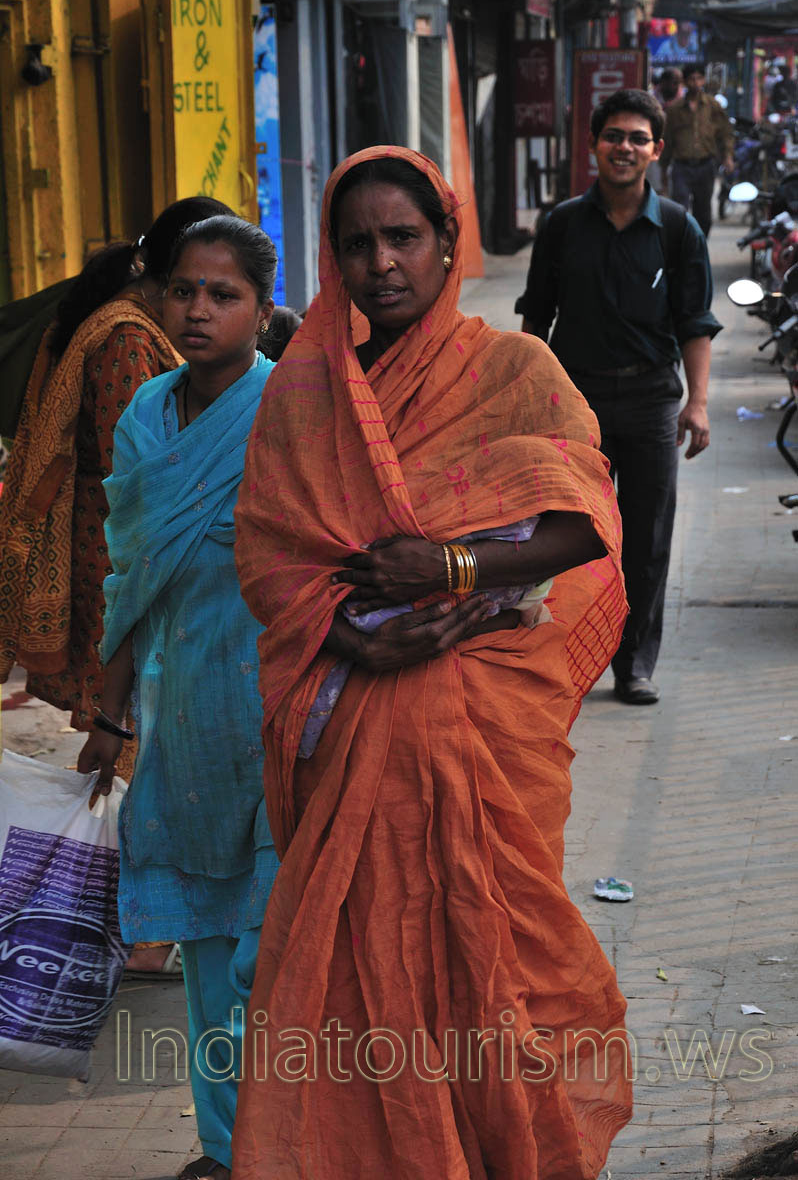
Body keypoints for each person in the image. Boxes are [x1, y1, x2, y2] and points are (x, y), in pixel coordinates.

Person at [231, 146, 633, 1179]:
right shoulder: (307, 398)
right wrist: (356, 636)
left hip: (482, 721)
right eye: (356, 244)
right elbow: (272, 561)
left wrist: (445, 566)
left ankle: (508, 1153)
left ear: (448, 243)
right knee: (357, 968)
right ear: (334, 260)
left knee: (493, 952)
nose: (381, 264)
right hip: (356, 714)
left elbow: (583, 524)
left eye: (402, 237)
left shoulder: (514, 370)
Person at [76, 215, 280, 1180]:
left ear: (263, 310)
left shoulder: (290, 411)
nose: (199, 310)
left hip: (279, 702)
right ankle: (225, 1146)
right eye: (184, 291)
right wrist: (110, 714)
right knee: (204, 944)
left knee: (266, 950)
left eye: (224, 294)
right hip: (181, 710)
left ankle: (290, 1140)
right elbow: (130, 580)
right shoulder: (145, 415)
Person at [0, 195, 232, 775]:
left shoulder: (138, 321)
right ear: (174, 278)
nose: (205, 307)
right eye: (198, 287)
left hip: (124, 536)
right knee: (135, 714)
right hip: (118, 543)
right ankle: (129, 840)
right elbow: (132, 468)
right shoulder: (126, 338)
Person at [516, 89, 722, 705]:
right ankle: (561, 661)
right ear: (593, 145)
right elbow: (536, 320)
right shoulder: (560, 226)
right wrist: (527, 399)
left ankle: (633, 664)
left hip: (652, 402)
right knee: (563, 535)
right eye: (614, 136)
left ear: (656, 150)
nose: (624, 148)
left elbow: (696, 322)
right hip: (573, 406)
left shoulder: (680, 229)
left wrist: (699, 402)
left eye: (637, 138)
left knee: (647, 539)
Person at [661, 62, 734, 238]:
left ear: (703, 80)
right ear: (685, 82)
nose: (695, 83)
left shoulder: (713, 106)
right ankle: (681, 247)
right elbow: (668, 139)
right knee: (680, 208)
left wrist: (728, 157)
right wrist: (663, 169)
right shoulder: (674, 109)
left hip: (705, 164)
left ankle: (699, 245)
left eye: (698, 79)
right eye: (691, 79)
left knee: (703, 211)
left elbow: (725, 133)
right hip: (681, 166)